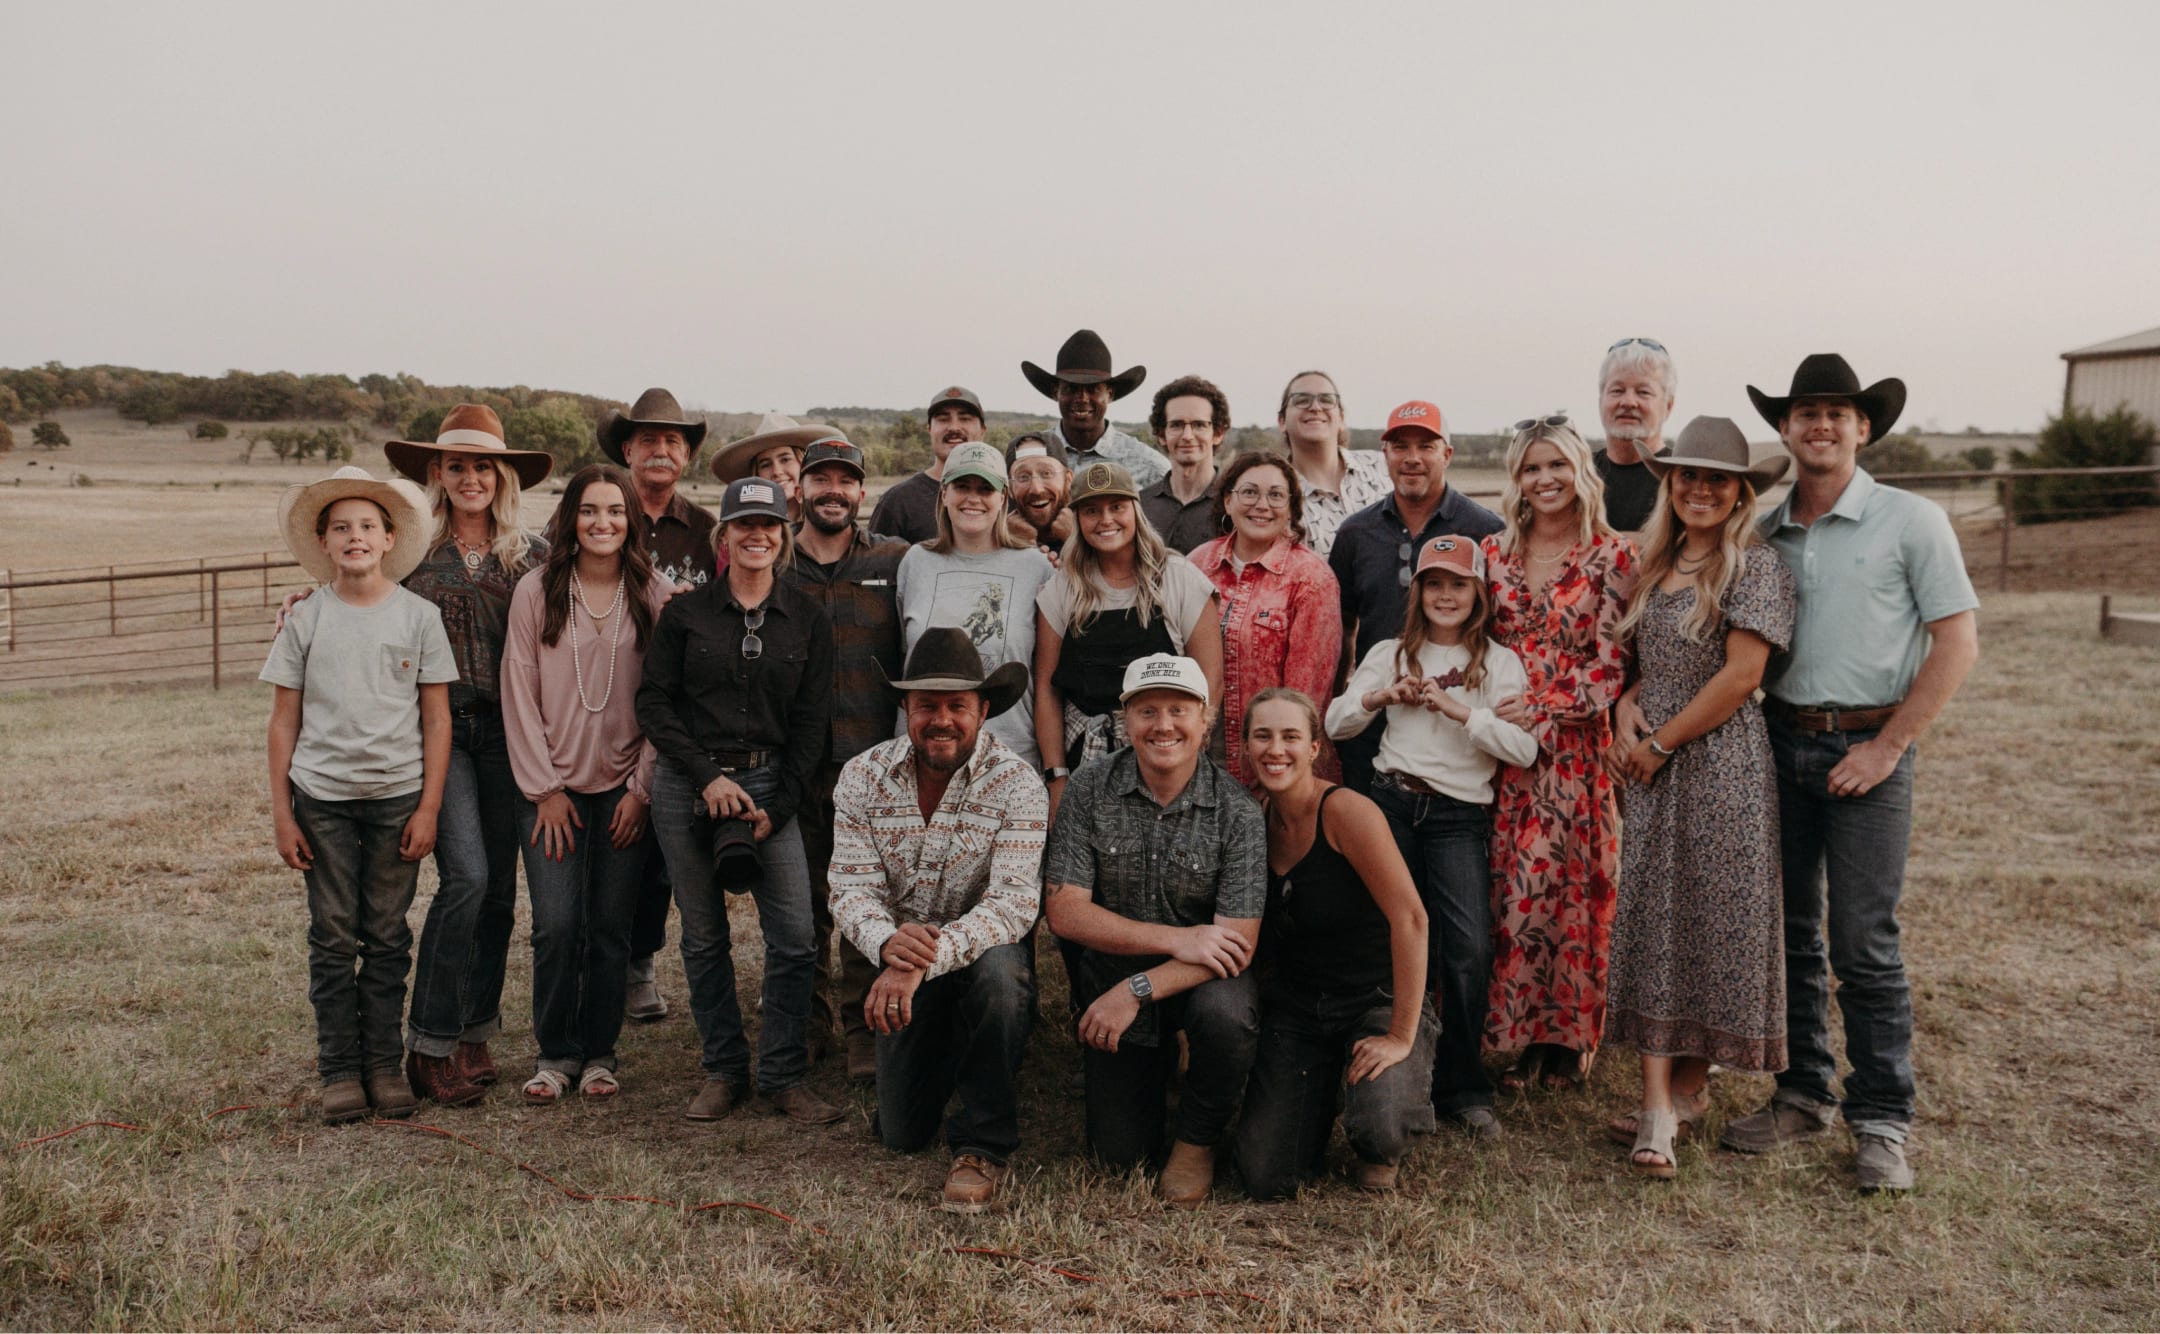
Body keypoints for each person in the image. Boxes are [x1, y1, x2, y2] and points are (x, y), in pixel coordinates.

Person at [1720, 354, 1979, 1193]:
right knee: (1790, 932)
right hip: (1779, 739)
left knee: (1863, 942)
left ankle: (1882, 1119)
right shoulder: (1759, 527)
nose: (1821, 426)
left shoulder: (1911, 520)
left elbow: (1957, 642)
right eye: (1806, 414)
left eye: (1838, 413)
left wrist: (1889, 747)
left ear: (1864, 428)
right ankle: (1802, 1093)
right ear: (1786, 429)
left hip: (1869, 747)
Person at [1597, 417, 1796, 1178]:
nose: (1700, 490)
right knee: (1651, 918)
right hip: (1653, 764)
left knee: (1713, 919)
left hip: (1721, 766)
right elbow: (1655, 662)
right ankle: (1657, 1105)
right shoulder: (1657, 563)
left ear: (1740, 492)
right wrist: (1625, 709)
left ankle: (1686, 1091)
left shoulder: (1756, 569)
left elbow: (1740, 676)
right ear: (1669, 486)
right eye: (1687, 477)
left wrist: (1660, 742)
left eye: (1717, 479)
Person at [635, 477, 844, 1126]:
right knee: (703, 938)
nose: (757, 535)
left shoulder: (807, 618)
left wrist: (776, 810)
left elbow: (813, 724)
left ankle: (782, 1073)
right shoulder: (686, 614)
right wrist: (706, 779)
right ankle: (723, 1071)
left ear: (783, 536)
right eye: (744, 524)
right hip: (689, 788)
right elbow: (654, 704)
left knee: (795, 938)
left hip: (768, 787)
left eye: (770, 525)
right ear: (722, 536)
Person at [365, 405, 552, 1104]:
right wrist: (306, 600)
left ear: (500, 475)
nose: (470, 477)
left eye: (483, 465)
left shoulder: (532, 554)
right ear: (436, 474)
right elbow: (361, 597)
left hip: (512, 733)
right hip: (440, 731)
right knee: (467, 879)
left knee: (501, 894)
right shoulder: (411, 551)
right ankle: (430, 1041)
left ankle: (475, 1029)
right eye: (456, 465)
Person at [828, 629, 1049, 1213]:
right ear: (906, 709)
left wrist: (917, 963)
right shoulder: (861, 776)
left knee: (1003, 977)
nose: (941, 719)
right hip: (899, 959)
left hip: (977, 954)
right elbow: (850, 889)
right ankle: (954, 1046)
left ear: (983, 710)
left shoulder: (1019, 785)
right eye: (927, 705)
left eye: (957, 705)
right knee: (901, 1134)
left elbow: (1013, 905)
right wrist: (888, 943)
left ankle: (983, 1144)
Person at [260, 467, 454, 1124]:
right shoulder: (306, 618)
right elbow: (284, 718)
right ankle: (340, 1068)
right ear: (323, 540)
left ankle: (383, 1064)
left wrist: (429, 806)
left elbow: (436, 718)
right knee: (334, 934)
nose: (355, 537)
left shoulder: (419, 617)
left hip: (398, 797)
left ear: (389, 536)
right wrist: (284, 813)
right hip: (324, 800)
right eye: (341, 527)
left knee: (387, 934)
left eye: (367, 526)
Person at [1326, 535, 1537, 1138]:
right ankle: (1387, 1075)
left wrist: (1460, 711)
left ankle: (1464, 1086)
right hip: (1392, 801)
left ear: (1479, 595)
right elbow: (1336, 722)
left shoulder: (1498, 662)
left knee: (1465, 949)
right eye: (1435, 584)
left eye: (1459, 585)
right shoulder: (1394, 651)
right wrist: (1381, 695)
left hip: (1457, 816)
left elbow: (1524, 746)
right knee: (1383, 937)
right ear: (1417, 592)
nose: (1447, 595)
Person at [1043, 656, 1265, 1208]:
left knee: (1226, 1013)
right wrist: (1174, 938)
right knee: (1118, 1157)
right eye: (1147, 711)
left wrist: (1136, 989)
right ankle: (1155, 1071)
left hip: (1201, 980)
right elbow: (1065, 912)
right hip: (1121, 974)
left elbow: (1236, 943)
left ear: (1205, 720)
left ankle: (1198, 1138)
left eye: (1178, 710)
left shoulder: (1238, 811)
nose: (1163, 724)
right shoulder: (1089, 788)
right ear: (1125, 721)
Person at [500, 464, 670, 1106]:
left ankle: (599, 1054)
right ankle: (555, 1053)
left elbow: (663, 697)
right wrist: (544, 790)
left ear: (632, 520)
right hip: (550, 789)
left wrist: (641, 788)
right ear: (570, 517)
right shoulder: (537, 592)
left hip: (625, 788)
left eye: (616, 511)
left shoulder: (652, 593)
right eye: (590, 510)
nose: (603, 523)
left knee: (608, 926)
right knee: (556, 923)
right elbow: (517, 691)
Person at [1480, 413, 1637, 1092]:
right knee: (1514, 894)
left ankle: (1570, 1042)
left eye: (1556, 466)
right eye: (1531, 468)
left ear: (1580, 472)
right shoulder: (1492, 554)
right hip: (1505, 753)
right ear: (1515, 478)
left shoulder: (1612, 556)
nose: (1544, 480)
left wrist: (1542, 701)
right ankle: (1518, 1035)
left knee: (1572, 893)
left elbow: (1611, 667)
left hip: (1575, 753)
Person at [1234, 688, 1438, 1197]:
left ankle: (1379, 1128)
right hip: (1299, 1009)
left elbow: (1411, 918)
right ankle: (1322, 1089)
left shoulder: (1346, 811)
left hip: (1374, 999)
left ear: (1314, 748)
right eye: (1262, 736)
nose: (1275, 749)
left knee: (1380, 1125)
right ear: (1244, 747)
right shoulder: (1253, 819)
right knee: (1264, 1174)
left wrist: (1400, 1034)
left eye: (1290, 737)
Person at [782, 435, 912, 1083]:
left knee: (870, 901)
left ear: (862, 493)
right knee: (800, 905)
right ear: (801, 488)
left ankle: (865, 1025)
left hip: (874, 764)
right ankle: (807, 1025)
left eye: (845, 480)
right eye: (820, 479)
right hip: (795, 767)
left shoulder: (895, 562)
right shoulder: (773, 562)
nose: (832, 490)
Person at [598, 386, 714, 1023]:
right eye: (648, 440)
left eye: (673, 440)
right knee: (605, 844)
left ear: (687, 455)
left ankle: (639, 965)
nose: (661, 451)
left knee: (662, 853)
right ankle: (600, 961)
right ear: (627, 450)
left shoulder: (705, 531)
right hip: (600, 703)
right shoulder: (598, 516)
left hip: (673, 712)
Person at [1328, 399, 1504, 793]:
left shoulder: (1486, 529)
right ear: (1384, 454)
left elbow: (1501, 625)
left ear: (1448, 454)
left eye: (1426, 446)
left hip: (1452, 718)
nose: (1412, 458)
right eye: (1400, 446)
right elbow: (1341, 627)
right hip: (1375, 714)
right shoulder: (1356, 533)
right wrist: (1346, 698)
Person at [1033, 460, 1223, 809]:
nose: (1105, 520)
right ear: (1077, 519)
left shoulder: (1178, 577)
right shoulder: (1061, 589)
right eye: (1091, 510)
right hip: (1084, 762)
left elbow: (1210, 681)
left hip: (1166, 753)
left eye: (1116, 507)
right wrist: (1057, 777)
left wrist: (1185, 757)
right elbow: (1046, 689)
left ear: (1136, 511)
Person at [895, 442, 1056, 770]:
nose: (973, 498)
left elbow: (1046, 682)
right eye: (962, 486)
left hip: (1009, 759)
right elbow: (903, 657)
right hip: (922, 759)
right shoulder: (915, 561)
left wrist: (1055, 770)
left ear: (1003, 498)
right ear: (944, 493)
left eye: (985, 488)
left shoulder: (1036, 567)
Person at [1188, 451, 1343, 787]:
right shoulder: (1198, 564)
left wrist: (1278, 773)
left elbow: (1307, 698)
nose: (1262, 504)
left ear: (1291, 508)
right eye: (1249, 492)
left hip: (1276, 768)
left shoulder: (1312, 579)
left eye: (1275, 495)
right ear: (1228, 501)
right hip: (1201, 761)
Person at [1021, 328, 1170, 486]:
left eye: (1093, 389)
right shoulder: (1029, 457)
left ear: (1110, 394)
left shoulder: (1149, 466)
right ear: (1055, 393)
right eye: (1071, 388)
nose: (1082, 398)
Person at [1276, 370, 1390, 557]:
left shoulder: (1382, 467)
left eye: (1327, 400)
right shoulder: (1277, 497)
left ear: (1341, 419)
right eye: (1301, 399)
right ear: (1282, 421)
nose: (1315, 407)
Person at [870, 386, 985, 544]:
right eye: (943, 419)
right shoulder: (898, 502)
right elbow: (874, 565)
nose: (953, 427)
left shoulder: (1004, 498)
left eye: (965, 418)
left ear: (983, 430)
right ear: (929, 429)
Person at [1595, 338, 1679, 532]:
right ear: (1601, 400)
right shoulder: (1577, 476)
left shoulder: (1683, 479)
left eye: (1643, 392)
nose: (1629, 402)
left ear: (1668, 406)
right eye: (1617, 390)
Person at [1138, 375, 1228, 553]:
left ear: (1217, 433)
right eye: (1177, 425)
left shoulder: (1235, 503)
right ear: (1162, 435)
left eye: (1199, 425)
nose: (1187, 436)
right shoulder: (1139, 505)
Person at [714, 412, 838, 524]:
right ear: (756, 474)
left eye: (785, 460)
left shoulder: (826, 522)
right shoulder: (744, 527)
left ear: (803, 464)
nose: (777, 472)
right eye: (765, 465)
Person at [1004, 432, 1073, 555]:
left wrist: (1076, 540)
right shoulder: (994, 535)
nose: (1036, 489)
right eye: (1023, 477)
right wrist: (1010, 545)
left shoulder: (1095, 526)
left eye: (1046, 473)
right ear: (1009, 488)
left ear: (1068, 480)